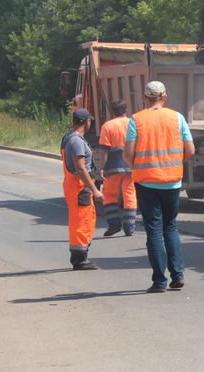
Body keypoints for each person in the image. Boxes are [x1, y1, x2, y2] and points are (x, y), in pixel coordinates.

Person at [123, 81, 196, 293]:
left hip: (146, 182)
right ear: (164, 97)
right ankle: (178, 275)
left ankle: (159, 281)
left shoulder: (136, 119)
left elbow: (128, 154)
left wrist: (140, 163)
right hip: (172, 181)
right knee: (170, 227)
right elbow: (190, 151)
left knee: (154, 230)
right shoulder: (177, 118)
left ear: (145, 98)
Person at [61, 108, 102, 270]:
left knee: (85, 219)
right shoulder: (77, 141)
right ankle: (79, 259)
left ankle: (81, 256)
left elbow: (83, 166)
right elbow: (80, 168)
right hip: (79, 187)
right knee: (81, 221)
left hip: (76, 186)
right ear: (87, 122)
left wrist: (97, 176)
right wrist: (95, 189)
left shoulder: (69, 137)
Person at [96, 99, 137, 237]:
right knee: (129, 194)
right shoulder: (133, 123)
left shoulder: (108, 126)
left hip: (113, 167)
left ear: (113, 112)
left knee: (109, 195)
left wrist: (101, 168)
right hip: (131, 166)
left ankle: (114, 225)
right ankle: (129, 227)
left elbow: (104, 151)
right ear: (126, 110)